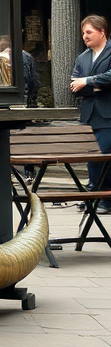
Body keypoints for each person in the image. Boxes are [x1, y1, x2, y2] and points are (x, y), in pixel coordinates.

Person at [69, 14, 111, 212]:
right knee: (92, 157)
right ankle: (94, 198)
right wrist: (97, 86)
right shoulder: (82, 57)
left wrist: (88, 81)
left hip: (108, 115)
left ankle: (106, 200)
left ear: (102, 32)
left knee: (104, 154)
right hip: (89, 116)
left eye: (89, 32)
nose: (84, 36)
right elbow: (74, 84)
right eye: (83, 33)